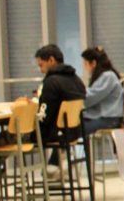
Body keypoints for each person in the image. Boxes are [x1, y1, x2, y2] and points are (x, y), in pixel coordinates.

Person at [34, 44, 87, 172]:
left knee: (10, 136)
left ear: (51, 60)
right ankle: (55, 162)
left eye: (41, 65)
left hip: (56, 134)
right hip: (75, 131)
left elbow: (44, 116)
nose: (41, 70)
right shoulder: (77, 80)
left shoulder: (51, 82)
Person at [80, 46, 124, 135]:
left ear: (93, 63)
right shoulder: (105, 76)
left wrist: (77, 94)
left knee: (73, 129)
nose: (84, 67)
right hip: (103, 117)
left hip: (108, 120)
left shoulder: (108, 76)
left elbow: (90, 98)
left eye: (85, 63)